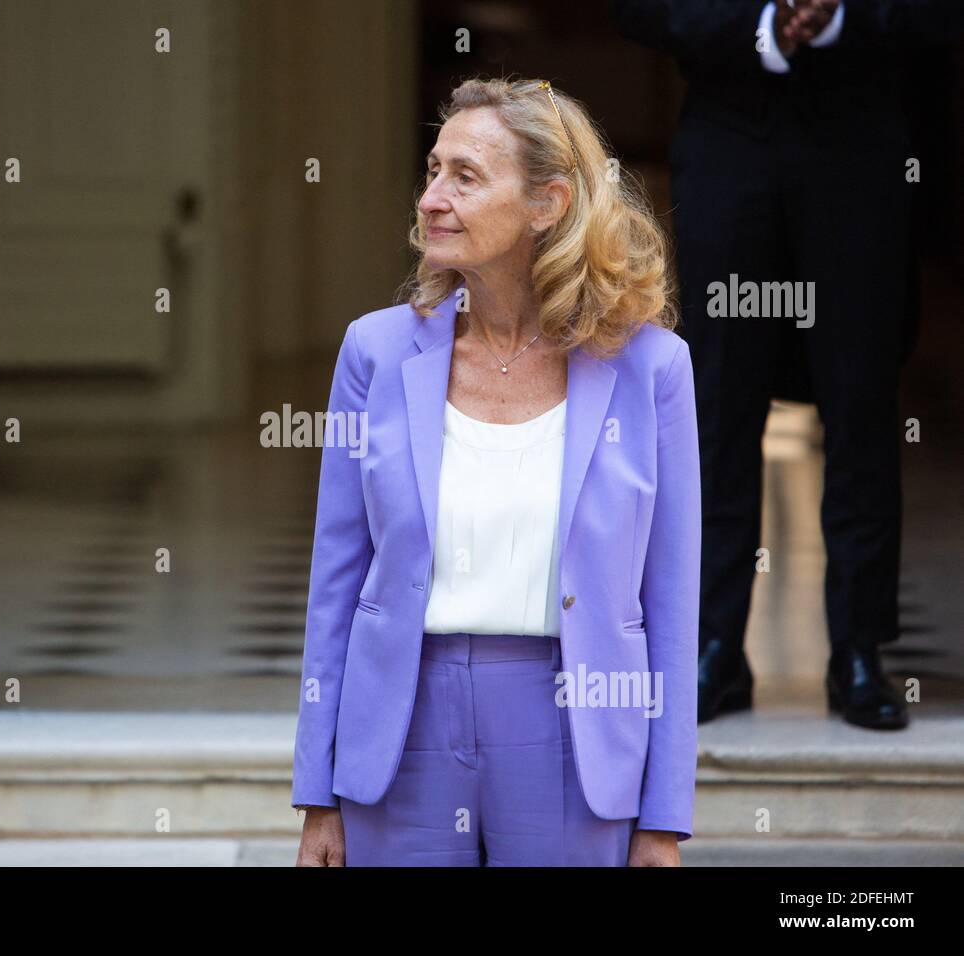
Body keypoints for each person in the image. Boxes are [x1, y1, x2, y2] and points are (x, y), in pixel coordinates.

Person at [291, 76, 700, 866]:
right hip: (400, 732)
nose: (432, 198)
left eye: (466, 177)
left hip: (573, 734)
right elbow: (335, 582)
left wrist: (663, 819)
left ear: (548, 204)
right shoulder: (373, 352)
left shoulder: (653, 369)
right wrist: (317, 791)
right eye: (433, 171)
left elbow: (671, 606)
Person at [611, 0, 964, 730]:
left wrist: (839, 19)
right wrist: (763, 22)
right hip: (727, 141)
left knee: (862, 405)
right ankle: (711, 644)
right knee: (716, 407)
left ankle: (859, 649)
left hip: (862, 153)